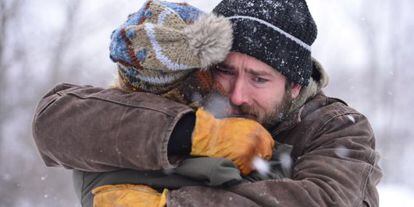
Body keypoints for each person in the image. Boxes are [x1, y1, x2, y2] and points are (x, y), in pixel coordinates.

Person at [32, 0, 382, 206]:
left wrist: (169, 204)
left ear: (294, 85)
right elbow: (55, 124)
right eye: (226, 71)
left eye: (259, 78)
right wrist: (191, 133)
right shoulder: (195, 92)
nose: (237, 95)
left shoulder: (337, 130)